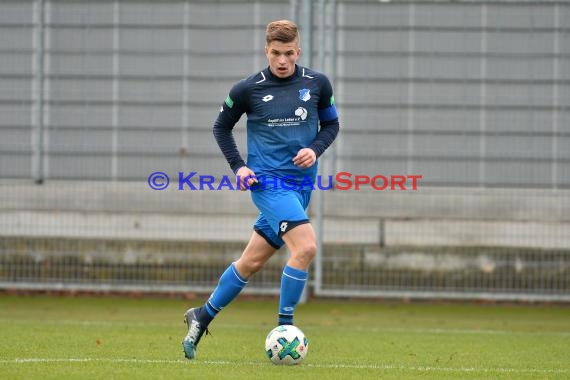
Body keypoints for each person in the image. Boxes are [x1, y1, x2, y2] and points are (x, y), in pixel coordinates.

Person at [182, 19, 340, 360]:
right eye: (274, 53)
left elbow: (332, 123)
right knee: (306, 247)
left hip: (301, 187)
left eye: (287, 53)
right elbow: (221, 127)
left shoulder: (317, 84)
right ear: (266, 51)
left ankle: (202, 315)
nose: (281, 60)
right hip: (268, 184)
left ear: (297, 51)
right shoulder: (247, 89)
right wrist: (239, 167)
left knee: (250, 262)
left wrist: (315, 148)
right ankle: (286, 327)